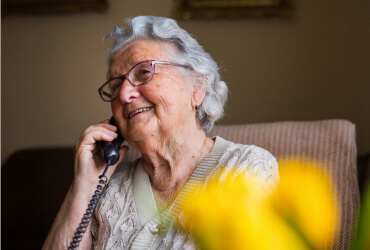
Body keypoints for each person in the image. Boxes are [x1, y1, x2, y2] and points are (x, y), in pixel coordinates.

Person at [43, 16, 279, 249]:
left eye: (144, 72)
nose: (124, 94)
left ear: (197, 86)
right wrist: (84, 186)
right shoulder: (108, 187)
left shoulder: (246, 170)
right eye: (116, 86)